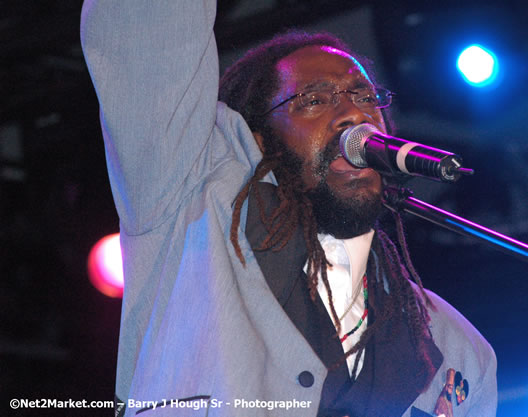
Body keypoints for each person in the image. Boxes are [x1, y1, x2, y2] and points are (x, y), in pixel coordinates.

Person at [81, 0, 497, 416]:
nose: (353, 113)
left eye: (365, 95)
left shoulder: (455, 347)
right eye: (314, 100)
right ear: (259, 139)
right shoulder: (193, 209)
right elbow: (147, 35)